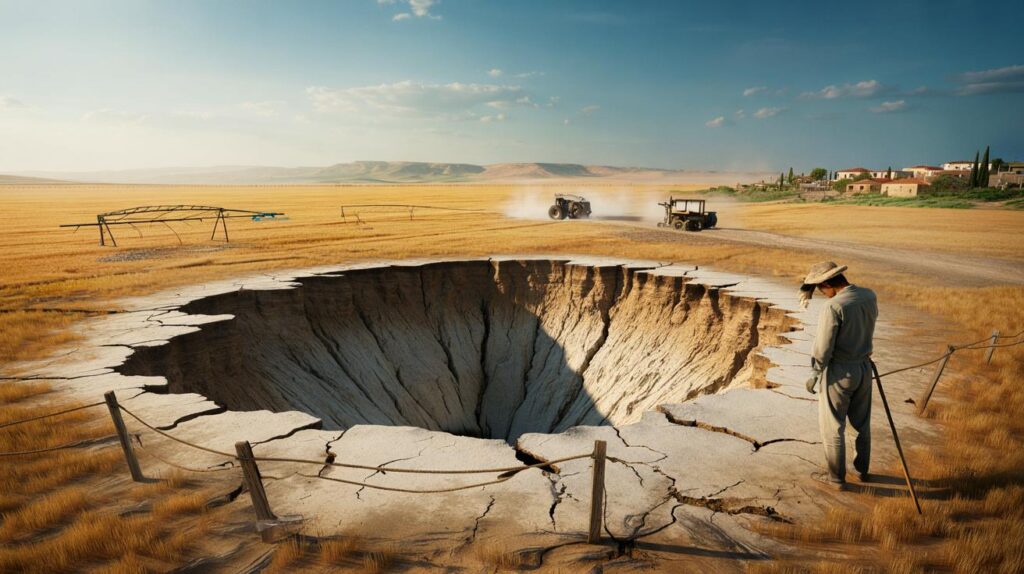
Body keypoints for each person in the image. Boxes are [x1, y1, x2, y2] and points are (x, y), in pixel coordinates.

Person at [799, 261, 878, 490]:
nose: (823, 295)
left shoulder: (834, 307)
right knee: (862, 424)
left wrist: (815, 372)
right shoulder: (869, 295)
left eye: (821, 289)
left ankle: (837, 479)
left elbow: (823, 347)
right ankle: (862, 470)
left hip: (840, 372)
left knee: (833, 427)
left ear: (827, 283)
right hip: (864, 368)